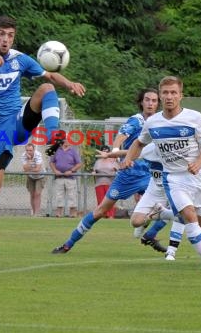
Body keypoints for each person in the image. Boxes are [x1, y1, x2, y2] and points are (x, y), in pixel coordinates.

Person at [0, 15, 85, 254]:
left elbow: (50, 75)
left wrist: (70, 83)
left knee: (47, 88)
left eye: (10, 35)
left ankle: (54, 134)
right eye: (1, 34)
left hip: (16, 122)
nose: (6, 39)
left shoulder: (20, 60)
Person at [122, 76, 201, 273]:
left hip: (197, 178)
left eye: (173, 92)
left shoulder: (194, 117)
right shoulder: (153, 122)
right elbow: (139, 142)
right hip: (174, 178)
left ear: (181, 95)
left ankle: (163, 213)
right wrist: (128, 159)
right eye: (165, 93)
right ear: (160, 96)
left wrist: (199, 163)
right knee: (190, 216)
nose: (169, 96)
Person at [51, 88, 162, 255]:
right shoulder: (136, 121)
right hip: (129, 174)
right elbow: (121, 136)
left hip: (151, 174)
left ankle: (149, 234)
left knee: (173, 205)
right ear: (141, 102)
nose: (151, 103)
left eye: (154, 101)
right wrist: (116, 154)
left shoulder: (162, 122)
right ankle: (68, 244)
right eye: (147, 100)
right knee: (100, 211)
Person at [48, 139, 82, 218]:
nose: (66, 141)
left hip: (70, 177)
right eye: (65, 140)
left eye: (68, 140)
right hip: (59, 177)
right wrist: (55, 170)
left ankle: (72, 213)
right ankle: (59, 213)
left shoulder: (73, 151)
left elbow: (79, 163)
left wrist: (71, 170)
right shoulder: (56, 150)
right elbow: (51, 162)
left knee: (72, 195)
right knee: (59, 195)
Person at [91, 145, 119, 218]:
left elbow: (118, 171)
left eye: (107, 151)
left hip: (110, 183)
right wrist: (94, 173)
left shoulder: (113, 161)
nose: (105, 153)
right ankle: (102, 215)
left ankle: (111, 215)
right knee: (101, 200)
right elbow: (94, 171)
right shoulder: (98, 162)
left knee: (110, 200)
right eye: (103, 151)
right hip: (99, 183)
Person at [21, 143, 46, 217]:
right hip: (30, 176)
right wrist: (29, 160)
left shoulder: (38, 154)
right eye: (27, 150)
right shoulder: (23, 155)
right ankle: (33, 212)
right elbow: (25, 168)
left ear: (34, 150)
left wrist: (27, 170)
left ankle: (37, 213)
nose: (29, 152)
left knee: (37, 194)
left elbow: (38, 169)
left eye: (30, 150)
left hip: (40, 176)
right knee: (32, 194)